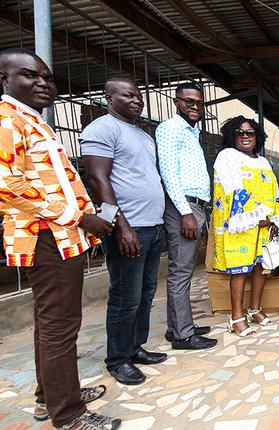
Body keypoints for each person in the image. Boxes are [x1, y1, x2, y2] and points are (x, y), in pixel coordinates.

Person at [0, 48, 120, 429]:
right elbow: (6, 184)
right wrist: (80, 217)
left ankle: (49, 398)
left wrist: (88, 218)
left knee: (53, 323)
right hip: (43, 237)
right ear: (4, 79)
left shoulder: (32, 122)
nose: (42, 83)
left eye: (47, 77)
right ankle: (68, 415)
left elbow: (60, 183)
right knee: (58, 326)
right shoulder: (7, 120)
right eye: (30, 75)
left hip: (60, 235)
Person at [81, 77, 167, 385]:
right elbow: (97, 178)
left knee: (145, 293)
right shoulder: (103, 129)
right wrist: (122, 226)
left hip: (152, 226)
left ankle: (135, 347)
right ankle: (117, 359)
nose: (136, 100)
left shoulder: (143, 135)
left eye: (138, 96)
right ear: (108, 97)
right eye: (127, 95)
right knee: (124, 296)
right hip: (128, 228)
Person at [156, 82, 216, 350]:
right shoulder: (170, 129)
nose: (194, 107)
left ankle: (178, 327)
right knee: (181, 271)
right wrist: (185, 213)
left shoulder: (192, 132)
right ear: (176, 102)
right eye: (188, 102)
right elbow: (168, 174)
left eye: (199, 103)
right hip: (184, 208)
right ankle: (183, 335)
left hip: (196, 206)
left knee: (185, 270)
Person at [211, 116, 279, 337]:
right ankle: (236, 317)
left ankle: (255, 309)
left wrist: (275, 219)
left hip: (264, 224)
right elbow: (235, 192)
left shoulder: (263, 161)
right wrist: (258, 216)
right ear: (232, 135)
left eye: (250, 132)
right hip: (240, 225)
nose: (245, 136)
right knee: (240, 270)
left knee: (261, 268)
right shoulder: (227, 157)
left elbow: (275, 193)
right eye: (240, 132)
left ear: (257, 137)